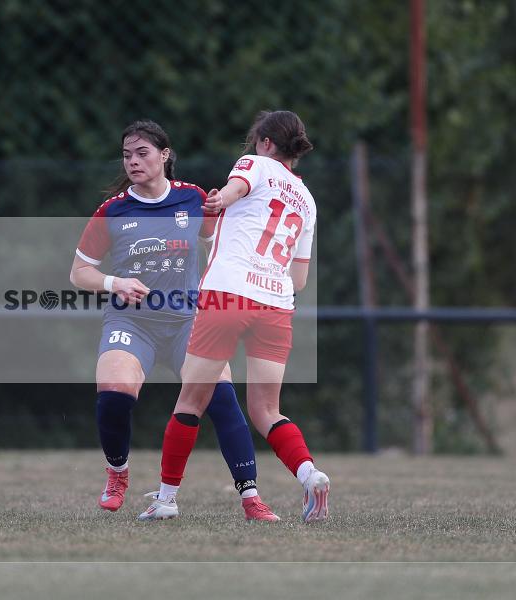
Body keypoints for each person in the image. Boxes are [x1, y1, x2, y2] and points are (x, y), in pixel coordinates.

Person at [70, 120, 279, 521]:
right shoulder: (113, 210)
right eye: (127, 155)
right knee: (114, 393)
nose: (133, 161)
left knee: (222, 398)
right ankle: (117, 473)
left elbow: (218, 247)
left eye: (142, 153)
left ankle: (251, 498)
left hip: (187, 322)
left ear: (164, 155)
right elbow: (79, 273)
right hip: (132, 323)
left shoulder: (192, 199)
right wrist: (114, 282)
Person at [138, 110, 330, 523]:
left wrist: (220, 200)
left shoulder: (254, 164)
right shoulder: (307, 200)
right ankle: (309, 474)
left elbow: (235, 189)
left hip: (229, 294)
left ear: (265, 143)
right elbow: (299, 279)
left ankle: (166, 499)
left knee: (192, 399)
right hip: (276, 304)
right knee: (267, 411)